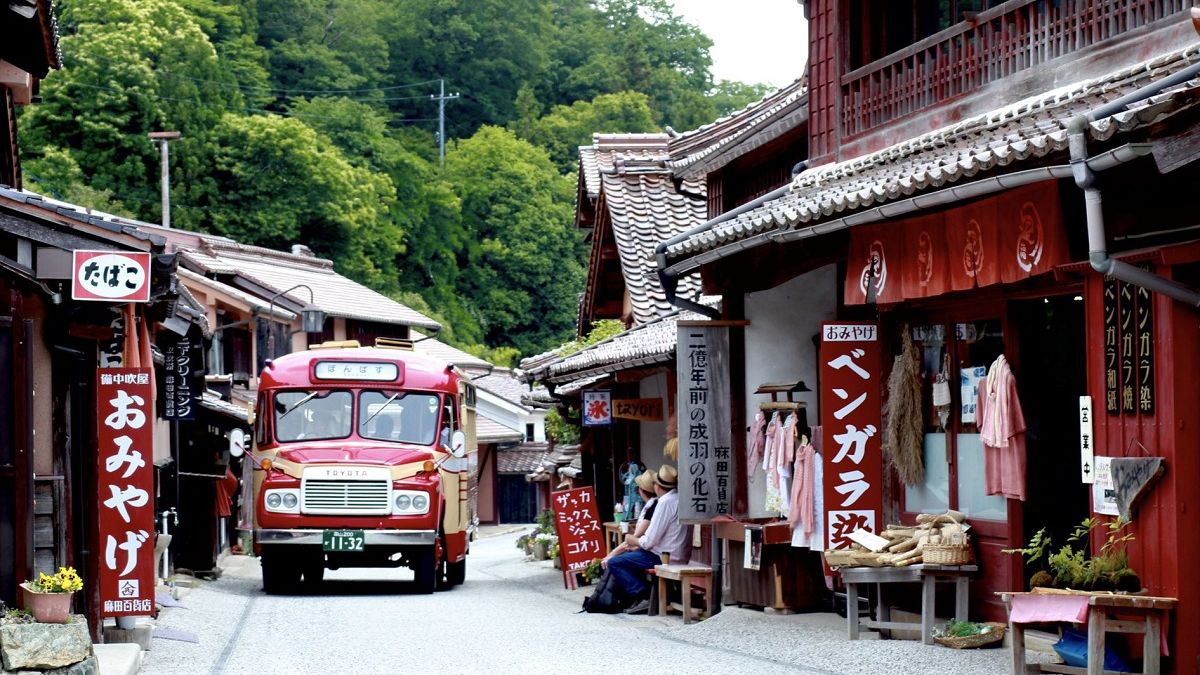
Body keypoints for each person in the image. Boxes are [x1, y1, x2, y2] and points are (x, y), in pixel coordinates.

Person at [604, 464, 691, 614]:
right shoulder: (680, 499)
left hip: (662, 557)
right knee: (629, 558)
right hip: (679, 554)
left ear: (657, 486)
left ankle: (644, 595)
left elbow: (649, 541)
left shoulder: (664, 503)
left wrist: (633, 540)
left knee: (615, 562)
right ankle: (644, 595)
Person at [600, 469, 658, 569]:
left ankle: (638, 586)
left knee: (614, 562)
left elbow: (635, 537)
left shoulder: (652, 507)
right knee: (616, 560)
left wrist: (611, 555)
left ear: (641, 490)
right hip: (647, 549)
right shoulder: (653, 505)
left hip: (649, 552)